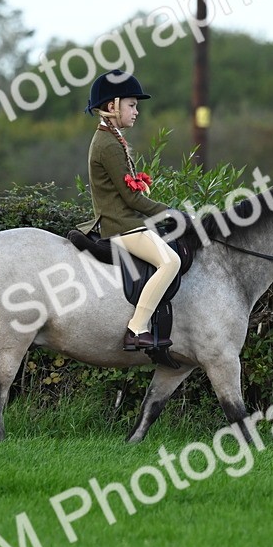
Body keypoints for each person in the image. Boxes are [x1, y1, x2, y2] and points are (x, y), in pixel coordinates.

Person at [78, 69, 180, 351]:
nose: (136, 112)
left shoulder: (111, 138)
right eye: (132, 105)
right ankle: (137, 328)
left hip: (126, 220)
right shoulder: (108, 144)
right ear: (112, 106)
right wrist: (171, 213)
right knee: (170, 262)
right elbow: (133, 199)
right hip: (121, 225)